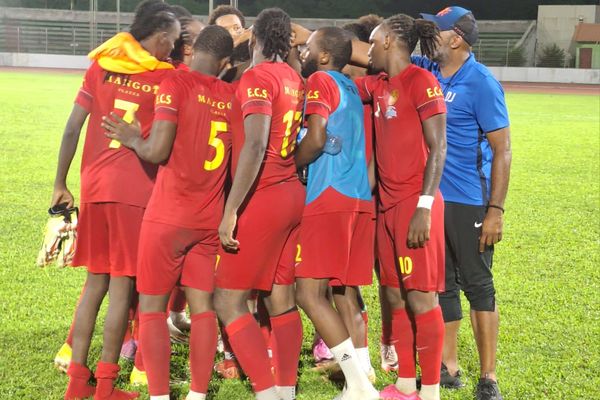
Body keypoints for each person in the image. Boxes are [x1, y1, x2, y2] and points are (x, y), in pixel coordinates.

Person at [50, 1, 180, 398]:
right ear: (158, 37)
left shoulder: (101, 65)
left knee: (94, 285)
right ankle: (106, 385)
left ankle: (77, 383)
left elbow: (73, 127)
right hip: (134, 192)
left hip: (94, 187)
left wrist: (60, 182)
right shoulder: (164, 78)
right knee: (123, 290)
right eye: (171, 42)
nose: (172, 50)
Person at [103, 24, 235, 400]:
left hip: (167, 217)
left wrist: (131, 138)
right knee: (203, 307)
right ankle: (197, 394)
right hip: (209, 219)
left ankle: (159, 395)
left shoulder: (176, 85)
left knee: (152, 309)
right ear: (225, 63)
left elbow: (157, 151)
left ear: (191, 52)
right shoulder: (231, 94)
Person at [415, 7, 512, 400]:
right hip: (436, 200)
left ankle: (488, 377)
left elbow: (502, 150)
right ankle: (449, 366)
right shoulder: (429, 70)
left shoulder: (482, 82)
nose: (428, 36)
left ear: (455, 38)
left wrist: (495, 211)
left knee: (479, 287)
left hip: (472, 201)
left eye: (434, 31)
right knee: (443, 286)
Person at [214, 8, 305, 400]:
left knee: (228, 301)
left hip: (262, 198)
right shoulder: (293, 77)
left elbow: (254, 144)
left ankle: (266, 392)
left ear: (254, 39)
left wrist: (232, 209)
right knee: (281, 299)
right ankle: (285, 388)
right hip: (290, 192)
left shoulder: (256, 78)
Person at [356, 14, 447, 400]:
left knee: (421, 298)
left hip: (415, 203)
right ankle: (406, 382)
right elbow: (342, 63)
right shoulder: (378, 85)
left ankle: (431, 390)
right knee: (394, 294)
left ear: (391, 40)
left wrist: (424, 207)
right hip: (386, 208)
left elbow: (438, 148)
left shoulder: (421, 82)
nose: (370, 49)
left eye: (374, 42)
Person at [294, 27, 379, 400]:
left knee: (309, 294)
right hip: (358, 197)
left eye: (309, 47)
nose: (303, 52)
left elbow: (316, 137)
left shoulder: (320, 79)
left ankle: (358, 385)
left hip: (329, 195)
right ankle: (363, 369)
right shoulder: (348, 84)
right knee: (344, 290)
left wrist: (291, 165)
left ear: (324, 55)